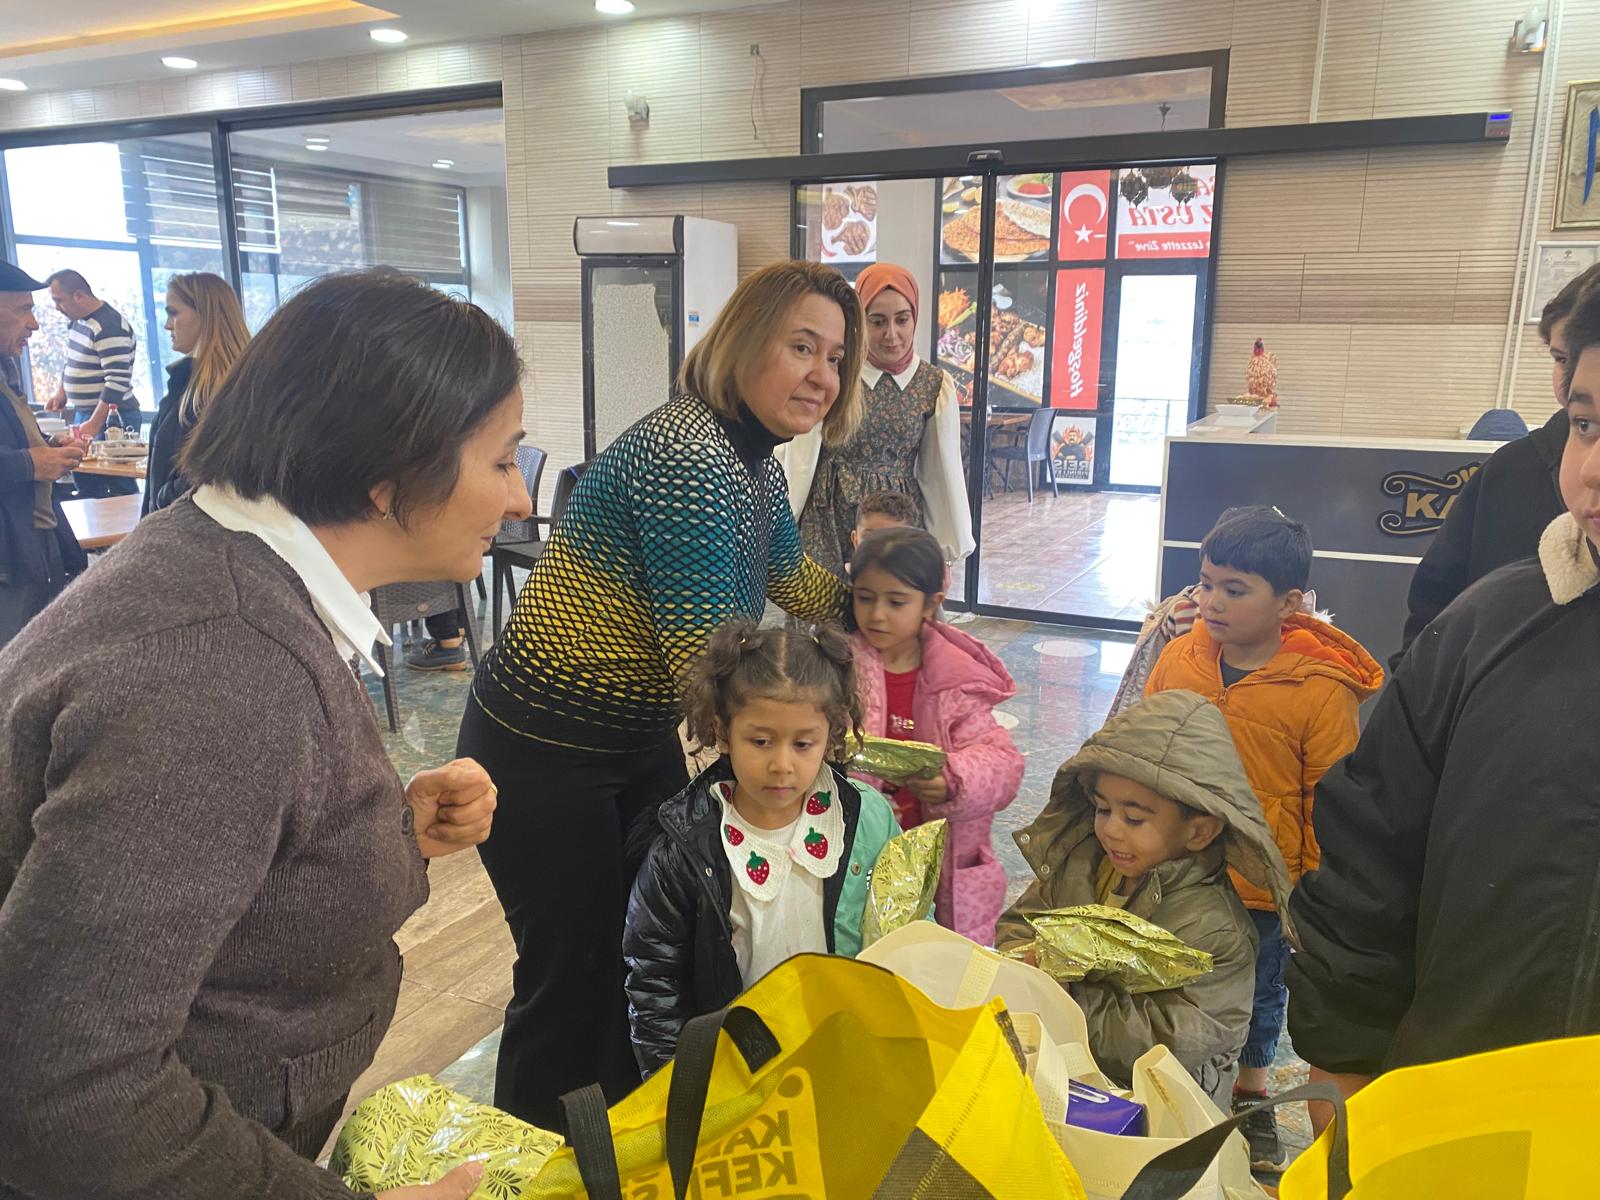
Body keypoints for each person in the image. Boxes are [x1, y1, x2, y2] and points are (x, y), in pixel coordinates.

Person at [0, 270, 529, 1200]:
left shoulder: (216, 575)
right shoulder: (217, 670)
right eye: (501, 462)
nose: (518, 500)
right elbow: (70, 1092)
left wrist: (369, 830)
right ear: (390, 476)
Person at [459, 259, 863, 1127]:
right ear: (746, 340)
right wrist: (826, 721)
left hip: (628, 735)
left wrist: (885, 611)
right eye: (802, 347)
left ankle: (619, 1146)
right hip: (544, 746)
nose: (823, 376)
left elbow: (790, 576)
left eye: (835, 357)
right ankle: (538, 1167)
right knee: (569, 979)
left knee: (644, 956)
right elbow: (707, 661)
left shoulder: (754, 464)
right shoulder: (690, 454)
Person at [1287, 286, 1600, 1134]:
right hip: (1455, 1121)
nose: (1591, 470)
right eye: (1584, 423)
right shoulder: (1486, 627)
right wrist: (1343, 1073)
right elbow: (1370, 862)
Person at [1144, 505, 1382, 1171]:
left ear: (1289, 603)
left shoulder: (1319, 690)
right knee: (1175, 977)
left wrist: (1311, 891)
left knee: (1260, 992)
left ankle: (1250, 1094)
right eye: (1206, 583)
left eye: (1235, 589)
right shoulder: (1180, 659)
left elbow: (1328, 803)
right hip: (1179, 867)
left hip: (1264, 883)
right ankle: (1176, 1087)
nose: (1212, 602)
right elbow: (1144, 748)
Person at [622, 619, 898, 1076]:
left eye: (803, 743)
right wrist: (679, 1087)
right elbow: (655, 981)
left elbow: (907, 928)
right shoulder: (682, 850)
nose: (782, 764)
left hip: (846, 1056)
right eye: (761, 741)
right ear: (722, 731)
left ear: (831, 734)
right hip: (739, 1072)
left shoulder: (867, 819)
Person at [996, 690, 1295, 1110]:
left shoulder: (1215, 928)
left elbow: (1172, 1040)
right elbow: (1020, 924)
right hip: (1064, 1076)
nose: (1111, 830)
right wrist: (1023, 961)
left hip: (1159, 1108)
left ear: (1200, 831)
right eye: (1103, 809)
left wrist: (1062, 998)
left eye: (1134, 818)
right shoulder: (1081, 866)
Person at [1393, 262, 1600, 667]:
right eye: (1561, 359)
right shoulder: (1507, 472)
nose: (1571, 378)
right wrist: (1423, 690)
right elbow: (1434, 606)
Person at [847, 525, 1021, 945]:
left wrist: (953, 780)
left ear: (931, 603)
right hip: (858, 854)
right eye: (865, 598)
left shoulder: (956, 679)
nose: (877, 615)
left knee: (935, 963)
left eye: (896, 602)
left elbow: (1003, 762)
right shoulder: (838, 667)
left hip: (940, 867)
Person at [786, 262, 973, 578]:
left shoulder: (933, 385)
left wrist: (944, 554)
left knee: (889, 599)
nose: (891, 334)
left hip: (895, 523)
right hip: (826, 518)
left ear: (915, 317)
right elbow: (800, 453)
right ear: (860, 321)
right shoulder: (838, 371)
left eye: (902, 319)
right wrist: (783, 520)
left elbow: (939, 473)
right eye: (877, 321)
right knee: (823, 603)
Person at [0, 259, 86, 649]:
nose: (33, 324)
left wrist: (47, 450)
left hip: (34, 546)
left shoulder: (7, 373)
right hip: (10, 558)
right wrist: (32, 462)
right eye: (23, 310)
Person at [143, 271, 251, 516]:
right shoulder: (193, 383)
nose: (167, 325)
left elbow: (213, 471)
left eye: (174, 313)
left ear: (205, 313)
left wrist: (166, 498)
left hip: (187, 527)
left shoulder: (219, 391)